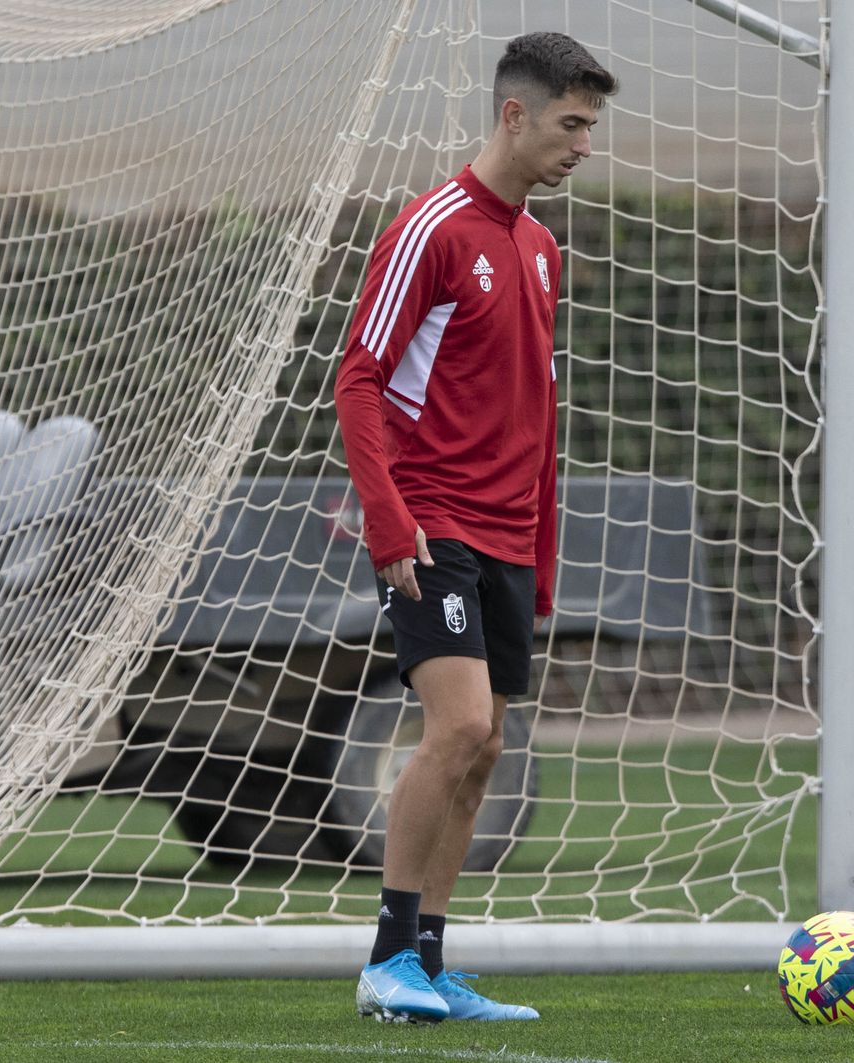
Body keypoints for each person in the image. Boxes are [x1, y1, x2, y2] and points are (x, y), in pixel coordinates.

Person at [334, 32, 617, 1024]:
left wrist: (538, 561)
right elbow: (359, 378)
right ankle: (383, 960)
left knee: (488, 744)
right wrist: (388, 519)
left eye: (591, 125)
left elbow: (536, 424)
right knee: (455, 726)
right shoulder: (434, 226)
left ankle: (428, 964)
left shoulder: (539, 248)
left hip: (504, 538)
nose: (584, 143)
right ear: (515, 114)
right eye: (572, 123)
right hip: (433, 525)